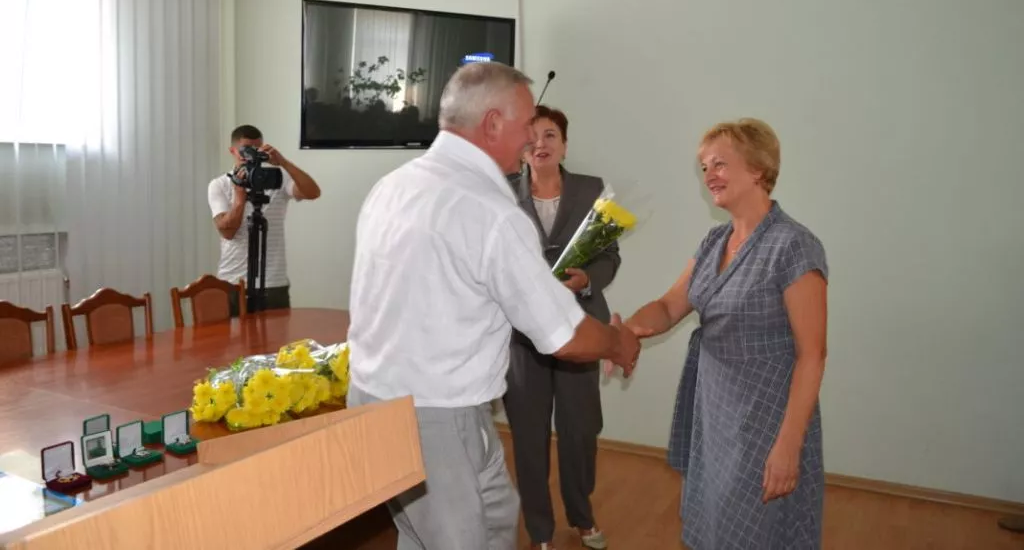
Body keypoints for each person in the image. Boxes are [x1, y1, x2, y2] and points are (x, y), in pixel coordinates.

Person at [346, 62, 641, 550]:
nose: (531, 139)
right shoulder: (490, 210)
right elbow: (564, 335)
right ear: (493, 124)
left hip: (375, 401)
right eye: (527, 125)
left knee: (488, 518)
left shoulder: (393, 186)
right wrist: (618, 343)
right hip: (434, 415)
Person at [623, 118, 828, 550]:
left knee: (758, 531)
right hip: (715, 416)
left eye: (719, 164)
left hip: (767, 420)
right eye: (704, 167)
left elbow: (812, 355)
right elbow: (668, 307)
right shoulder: (714, 241)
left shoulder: (793, 246)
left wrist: (789, 446)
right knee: (715, 524)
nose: (709, 175)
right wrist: (626, 332)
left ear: (758, 169)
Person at [503, 105, 618, 550]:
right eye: (531, 137)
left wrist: (587, 279)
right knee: (529, 437)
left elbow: (609, 256)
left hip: (580, 328)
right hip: (523, 337)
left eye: (550, 135)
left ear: (564, 145)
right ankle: (539, 532)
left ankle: (582, 517)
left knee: (580, 430)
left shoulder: (592, 189)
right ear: (522, 148)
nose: (540, 144)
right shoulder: (501, 192)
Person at [207, 124, 321, 316]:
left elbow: (313, 192)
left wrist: (283, 162)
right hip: (233, 281)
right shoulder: (220, 185)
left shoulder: (276, 179)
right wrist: (239, 197)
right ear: (232, 151)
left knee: (277, 336)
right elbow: (227, 232)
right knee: (231, 337)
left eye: (257, 150)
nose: (252, 156)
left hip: (273, 282)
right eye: (246, 150)